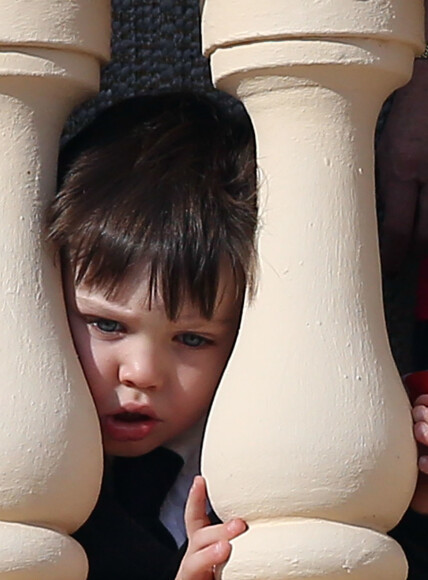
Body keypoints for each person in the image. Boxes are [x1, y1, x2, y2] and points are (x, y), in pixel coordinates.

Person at [47, 92, 428, 580]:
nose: (142, 373)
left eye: (192, 340)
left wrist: (406, 503)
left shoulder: (287, 456)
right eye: (107, 325)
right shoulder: (18, 479)